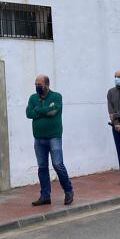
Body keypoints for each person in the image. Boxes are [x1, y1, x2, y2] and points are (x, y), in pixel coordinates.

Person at [26, 75, 74, 206]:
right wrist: (44, 111)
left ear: (47, 84)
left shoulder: (56, 96)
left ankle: (69, 190)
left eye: (40, 84)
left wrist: (38, 110)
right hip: (38, 138)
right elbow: (28, 113)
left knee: (58, 164)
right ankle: (45, 196)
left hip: (54, 136)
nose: (37, 86)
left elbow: (53, 112)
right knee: (42, 167)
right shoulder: (33, 98)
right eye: (36, 84)